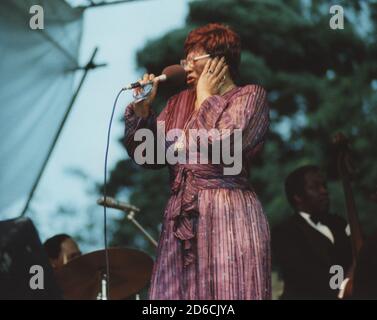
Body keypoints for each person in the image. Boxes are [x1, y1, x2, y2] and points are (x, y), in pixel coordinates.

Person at [124, 23, 271, 299]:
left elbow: (223, 144)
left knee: (229, 292)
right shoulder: (178, 103)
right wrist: (143, 114)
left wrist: (205, 98)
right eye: (185, 60)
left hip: (228, 211)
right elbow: (149, 156)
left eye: (194, 60)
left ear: (219, 62)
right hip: (182, 216)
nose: (186, 66)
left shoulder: (249, 96)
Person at [272, 165, 352, 299]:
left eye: (324, 185)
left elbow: (361, 254)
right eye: (315, 187)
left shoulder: (339, 223)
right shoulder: (284, 232)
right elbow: (304, 276)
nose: (324, 191)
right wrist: (344, 288)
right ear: (297, 197)